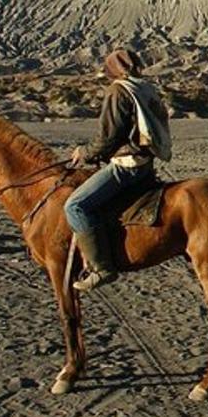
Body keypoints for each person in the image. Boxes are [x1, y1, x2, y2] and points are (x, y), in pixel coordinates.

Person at [65, 48, 172, 292]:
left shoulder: (119, 90)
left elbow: (108, 138)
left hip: (127, 166)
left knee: (75, 206)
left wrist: (85, 153)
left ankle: (101, 268)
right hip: (147, 165)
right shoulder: (144, 88)